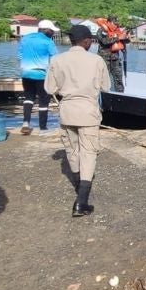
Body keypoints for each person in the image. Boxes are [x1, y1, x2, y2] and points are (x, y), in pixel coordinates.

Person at [44, 25, 110, 217]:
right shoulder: (96, 60)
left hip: (67, 110)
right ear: (87, 41)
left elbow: (49, 88)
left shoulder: (58, 60)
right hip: (88, 111)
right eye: (91, 41)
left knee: (72, 150)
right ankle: (81, 201)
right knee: (88, 152)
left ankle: (78, 184)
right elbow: (106, 86)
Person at [18, 19, 58, 135]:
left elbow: (20, 55)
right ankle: (43, 128)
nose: (53, 33)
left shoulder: (25, 38)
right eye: (52, 31)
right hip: (41, 75)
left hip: (26, 74)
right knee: (43, 101)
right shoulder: (48, 42)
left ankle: (26, 123)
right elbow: (55, 59)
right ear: (46, 30)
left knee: (28, 98)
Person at [96, 15, 129, 92]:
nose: (116, 25)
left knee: (118, 80)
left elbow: (123, 41)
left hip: (115, 59)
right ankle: (103, 96)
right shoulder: (102, 30)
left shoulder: (117, 31)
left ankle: (120, 97)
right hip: (104, 59)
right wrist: (118, 38)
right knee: (103, 80)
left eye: (117, 24)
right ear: (109, 22)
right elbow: (104, 41)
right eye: (114, 23)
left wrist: (126, 38)